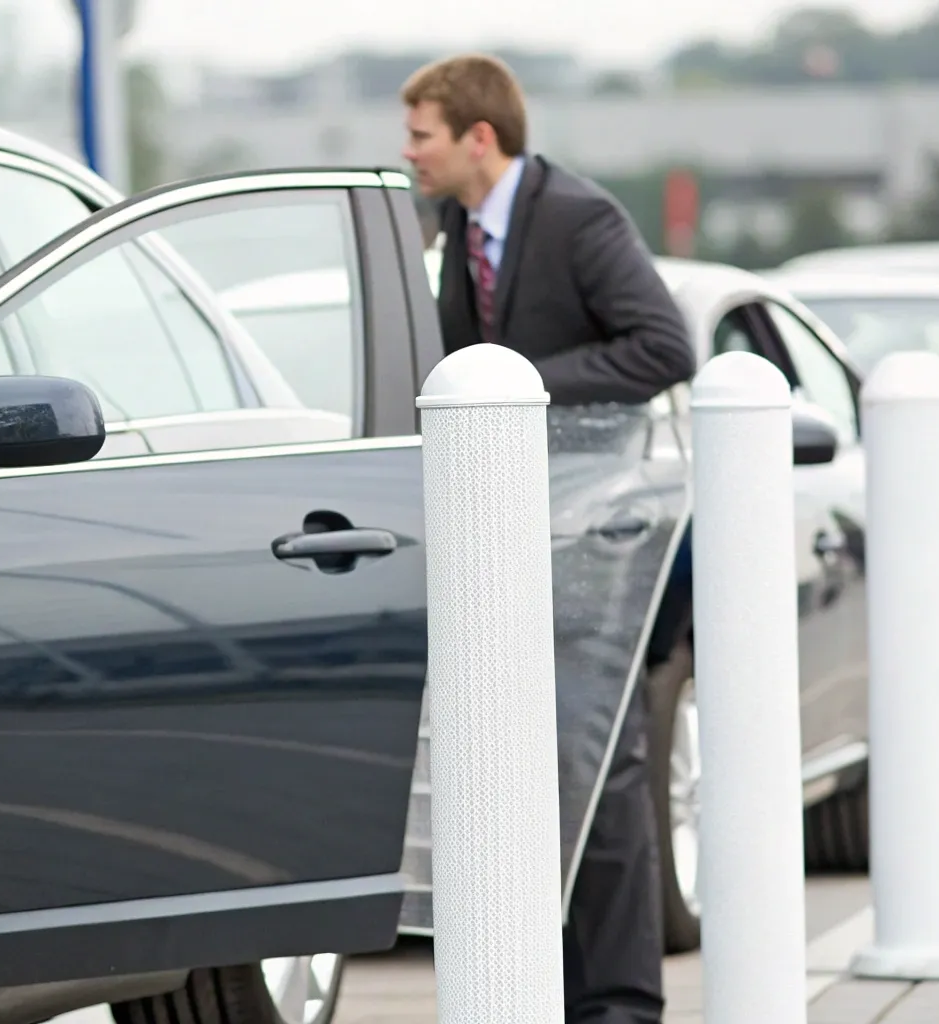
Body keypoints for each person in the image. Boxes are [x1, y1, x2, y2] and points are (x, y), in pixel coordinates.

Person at [400, 53, 692, 1024]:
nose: (407, 154)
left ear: (478, 138)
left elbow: (663, 346)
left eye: (421, 135)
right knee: (524, 770)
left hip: (594, 531)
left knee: (597, 764)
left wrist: (512, 381)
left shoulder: (577, 218)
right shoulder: (450, 226)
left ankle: (620, 1006)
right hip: (508, 536)